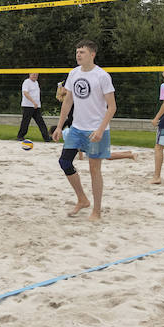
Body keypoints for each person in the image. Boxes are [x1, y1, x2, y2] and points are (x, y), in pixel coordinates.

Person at [52, 40, 116, 220]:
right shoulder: (73, 73)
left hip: (96, 129)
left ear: (92, 54)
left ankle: (97, 211)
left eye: (82, 52)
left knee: (94, 170)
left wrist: (101, 129)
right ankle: (82, 199)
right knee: (64, 162)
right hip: (77, 128)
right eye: (77, 51)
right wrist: (59, 126)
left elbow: (112, 107)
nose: (78, 54)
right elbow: (67, 101)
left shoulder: (102, 76)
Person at [18, 72, 50, 142]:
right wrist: (33, 102)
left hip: (36, 106)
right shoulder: (27, 82)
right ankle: (20, 136)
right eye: (34, 74)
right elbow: (25, 93)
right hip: (28, 106)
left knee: (41, 122)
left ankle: (47, 138)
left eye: (36, 75)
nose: (35, 76)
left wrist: (37, 104)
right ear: (30, 74)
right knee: (25, 122)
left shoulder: (36, 83)